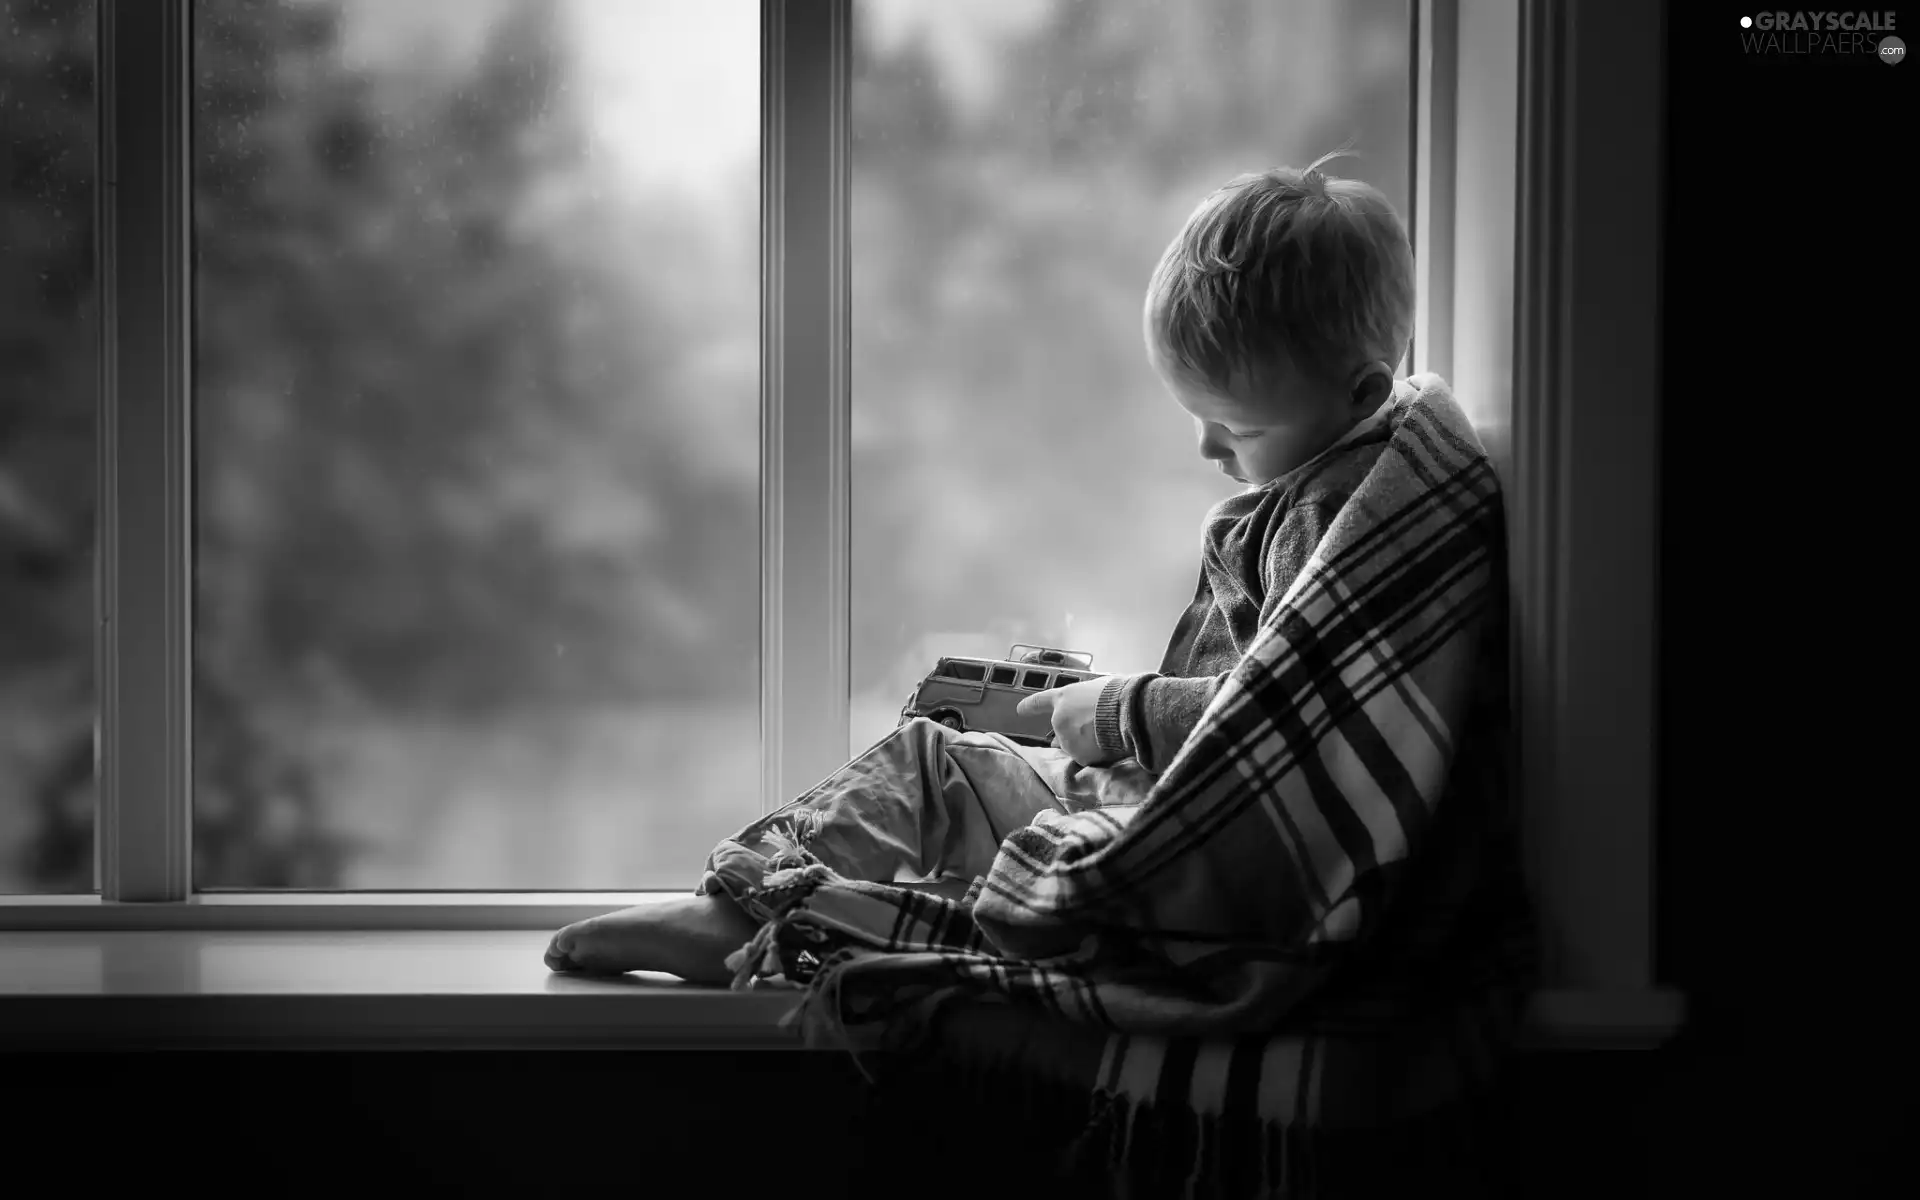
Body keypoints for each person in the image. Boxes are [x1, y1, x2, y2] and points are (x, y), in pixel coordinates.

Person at [545, 152, 1456, 986]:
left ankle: (754, 917)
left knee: (932, 768)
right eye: (1200, 415)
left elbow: (1267, 722)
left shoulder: (1321, 519)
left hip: (1180, 854)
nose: (1207, 447)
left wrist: (1113, 710)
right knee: (944, 769)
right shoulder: (1348, 486)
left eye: (1238, 428)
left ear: (1364, 394)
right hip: (1151, 806)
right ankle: (755, 909)